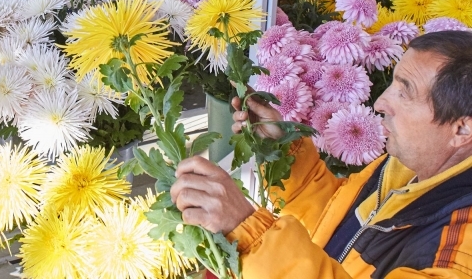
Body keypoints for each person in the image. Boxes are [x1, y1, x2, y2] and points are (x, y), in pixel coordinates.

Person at [171, 30, 472, 278]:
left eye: (404, 92)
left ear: (462, 130)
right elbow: (335, 217)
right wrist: (284, 150)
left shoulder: (459, 255)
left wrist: (251, 232)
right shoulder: (410, 164)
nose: (380, 102)